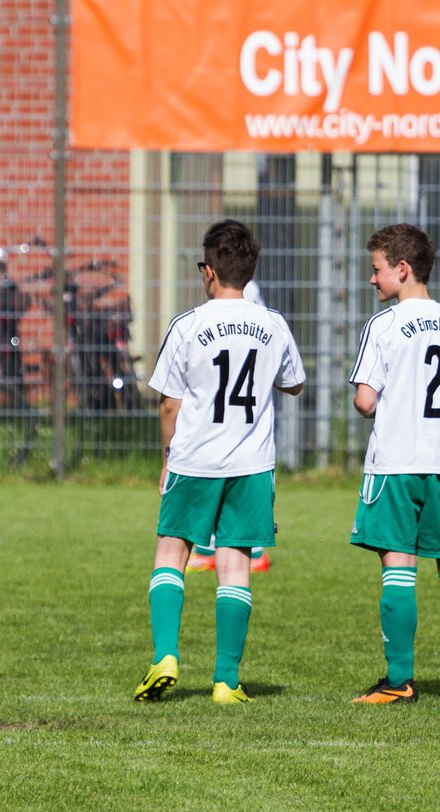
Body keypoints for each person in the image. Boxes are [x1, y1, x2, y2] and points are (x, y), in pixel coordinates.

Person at [133, 219, 305, 705]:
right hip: (251, 464)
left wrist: (167, 457)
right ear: (248, 273)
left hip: (195, 459)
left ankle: (165, 655)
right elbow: (294, 383)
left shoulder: (188, 325)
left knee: (172, 554)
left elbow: (169, 403)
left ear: (209, 272)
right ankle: (227, 681)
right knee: (234, 567)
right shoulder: (272, 323)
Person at [347, 223, 440, 704]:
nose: (372, 280)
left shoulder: (385, 325)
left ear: (402, 269)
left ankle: (398, 680)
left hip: (395, 464)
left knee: (398, 566)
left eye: (377, 270)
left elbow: (366, 402)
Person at [188, 279, 271, 574]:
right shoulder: (259, 309)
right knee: (240, 481)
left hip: (228, 416)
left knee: (218, 477)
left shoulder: (235, 296)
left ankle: (223, 551)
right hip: (244, 412)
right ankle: (240, 551)